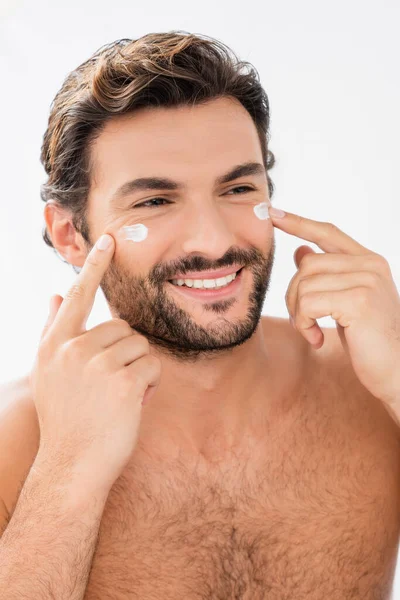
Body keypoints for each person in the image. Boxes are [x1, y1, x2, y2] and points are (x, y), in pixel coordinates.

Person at [0, 31, 400, 599]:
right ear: (70, 233)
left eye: (238, 187)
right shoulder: (18, 446)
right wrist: (67, 471)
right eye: (154, 201)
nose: (213, 241)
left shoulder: (371, 389)